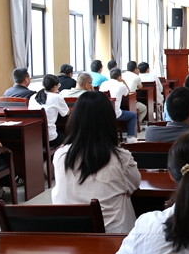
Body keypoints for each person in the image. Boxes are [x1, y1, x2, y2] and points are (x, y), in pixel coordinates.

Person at [52, 91, 141, 233]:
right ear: (109, 120)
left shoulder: (61, 155)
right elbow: (134, 184)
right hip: (113, 236)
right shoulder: (120, 157)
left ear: (75, 119)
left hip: (70, 233)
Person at [28, 74, 69, 148]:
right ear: (54, 87)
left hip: (35, 136)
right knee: (65, 136)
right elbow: (66, 113)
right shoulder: (57, 97)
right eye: (58, 85)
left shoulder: (33, 97)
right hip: (50, 138)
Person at [100, 68, 138, 144]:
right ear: (119, 77)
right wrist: (124, 82)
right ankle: (130, 137)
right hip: (114, 113)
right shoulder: (120, 85)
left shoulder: (103, 84)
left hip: (102, 112)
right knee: (133, 115)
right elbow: (127, 93)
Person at [122, 61, 147, 125]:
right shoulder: (136, 77)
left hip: (121, 103)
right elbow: (140, 87)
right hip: (131, 102)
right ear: (135, 69)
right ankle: (136, 124)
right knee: (144, 109)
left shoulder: (121, 75)